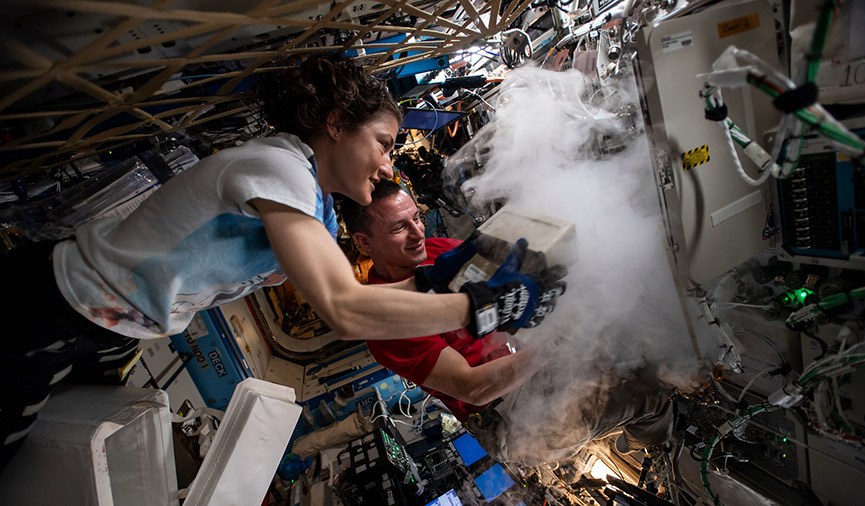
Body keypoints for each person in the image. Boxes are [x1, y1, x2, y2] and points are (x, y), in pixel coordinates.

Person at [0, 54, 567, 473]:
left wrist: (430, 279)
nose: (387, 162)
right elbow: (346, 308)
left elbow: (349, 287)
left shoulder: (314, 206)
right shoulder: (279, 167)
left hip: (113, 328)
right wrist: (484, 308)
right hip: (55, 304)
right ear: (337, 122)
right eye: (383, 142)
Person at [342, 180, 673, 464]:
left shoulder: (438, 252)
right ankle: (647, 446)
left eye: (417, 218)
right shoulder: (385, 324)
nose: (417, 233)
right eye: (399, 228)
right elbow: (472, 387)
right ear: (364, 242)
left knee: (628, 343)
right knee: (648, 394)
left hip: (526, 361)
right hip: (505, 414)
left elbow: (513, 272)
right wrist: (554, 344)